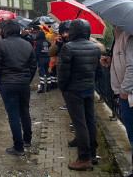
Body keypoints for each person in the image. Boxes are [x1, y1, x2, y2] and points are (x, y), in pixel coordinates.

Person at [57, 19, 101, 171]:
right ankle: (93, 154)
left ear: (73, 31)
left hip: (73, 91)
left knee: (79, 124)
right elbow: (99, 72)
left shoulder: (68, 48)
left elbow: (63, 74)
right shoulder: (95, 48)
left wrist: (63, 88)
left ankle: (83, 158)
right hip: (89, 89)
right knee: (90, 121)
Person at [0, 19, 37, 156]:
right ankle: (27, 139)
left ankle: (18, 147)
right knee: (24, 111)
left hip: (7, 84)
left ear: (6, 31)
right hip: (23, 83)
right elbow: (34, 64)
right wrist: (27, 79)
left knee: (13, 115)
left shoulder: (1, 45)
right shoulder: (27, 45)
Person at [100, 25, 133, 177]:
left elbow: (132, 66)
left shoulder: (128, 36)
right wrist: (112, 60)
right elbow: (125, 59)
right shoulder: (120, 36)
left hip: (129, 95)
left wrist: (124, 92)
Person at [49, 20, 72, 91]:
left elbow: (101, 48)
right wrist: (57, 44)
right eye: (63, 33)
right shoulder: (60, 41)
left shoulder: (80, 40)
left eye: (67, 32)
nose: (65, 35)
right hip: (64, 79)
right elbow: (51, 53)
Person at [34, 28, 52, 93]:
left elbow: (36, 52)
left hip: (41, 59)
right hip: (48, 59)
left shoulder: (38, 43)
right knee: (48, 72)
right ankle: (49, 87)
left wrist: (36, 60)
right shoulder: (48, 43)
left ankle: (42, 87)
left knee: (41, 73)